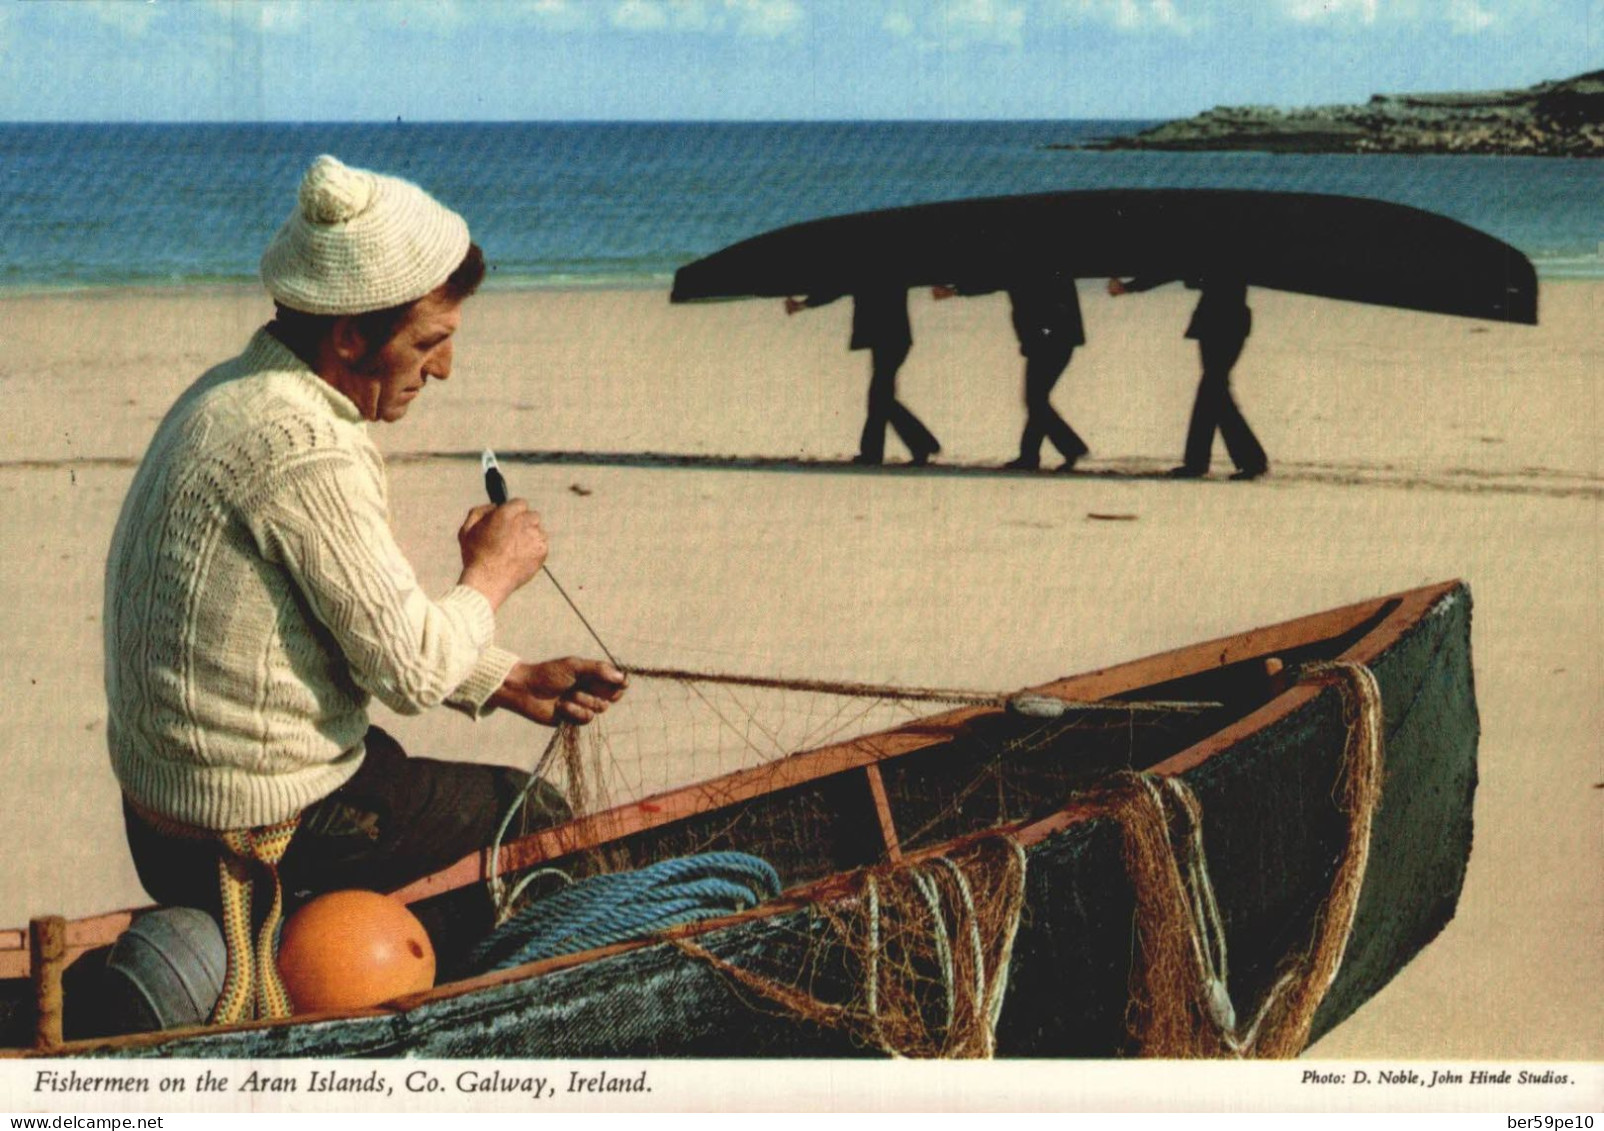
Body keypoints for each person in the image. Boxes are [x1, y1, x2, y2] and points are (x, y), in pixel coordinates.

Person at [103, 155, 626, 1020]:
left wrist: (510, 679)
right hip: (243, 832)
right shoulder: (306, 447)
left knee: (400, 773)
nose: (445, 367)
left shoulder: (234, 393)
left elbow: (352, 631)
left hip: (168, 811)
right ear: (348, 334)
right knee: (531, 816)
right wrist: (490, 576)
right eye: (428, 341)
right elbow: (413, 671)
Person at [1107, 274, 1268, 480]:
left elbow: (1178, 269)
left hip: (1218, 321)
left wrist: (1130, 288)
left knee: (1213, 391)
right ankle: (1233, 460)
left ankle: (1236, 460)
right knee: (1213, 391)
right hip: (1225, 320)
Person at [934, 273, 1090, 471]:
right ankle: (1036, 455)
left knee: (1035, 399)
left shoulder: (1030, 266)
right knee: (1036, 399)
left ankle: (1064, 449)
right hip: (1052, 338)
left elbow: (995, 280)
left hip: (1050, 338)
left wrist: (955, 290)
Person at [784, 286, 941, 466]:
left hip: (888, 337)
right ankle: (907, 447)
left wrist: (803, 305)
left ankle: (907, 447)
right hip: (892, 337)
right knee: (881, 397)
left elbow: (834, 289)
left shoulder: (864, 266)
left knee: (880, 397)